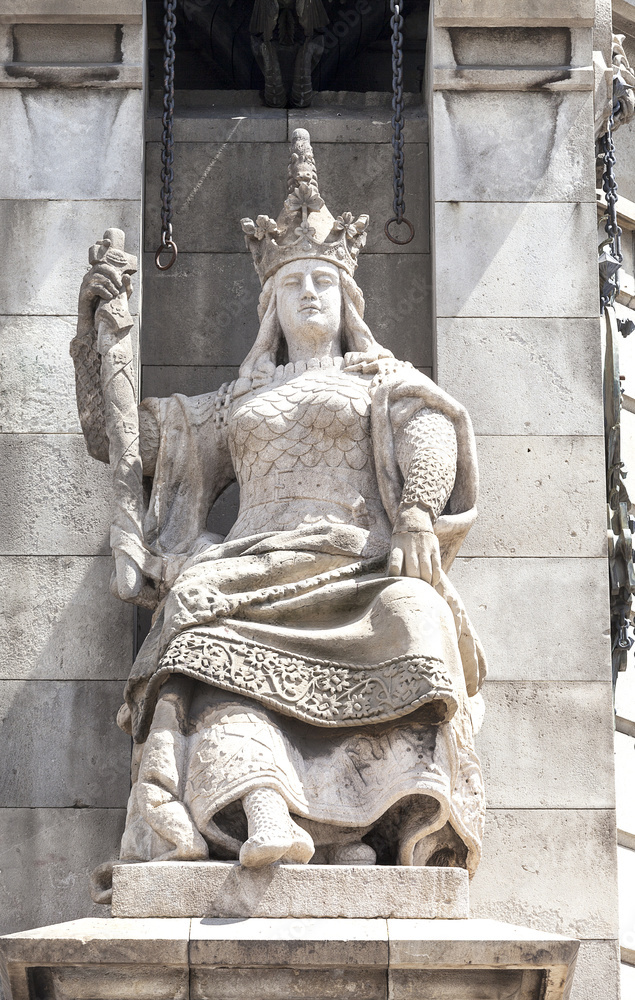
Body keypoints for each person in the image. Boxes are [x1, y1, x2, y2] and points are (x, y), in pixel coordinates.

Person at [74, 129, 487, 883]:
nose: (307, 293)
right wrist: (98, 344)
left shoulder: (378, 381)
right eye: (292, 283)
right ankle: (264, 810)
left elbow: (428, 426)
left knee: (416, 613)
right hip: (252, 563)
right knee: (197, 618)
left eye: (322, 283)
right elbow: (121, 442)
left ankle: (375, 819)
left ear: (347, 298)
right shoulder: (235, 402)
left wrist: (419, 512)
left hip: (354, 558)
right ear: (268, 302)